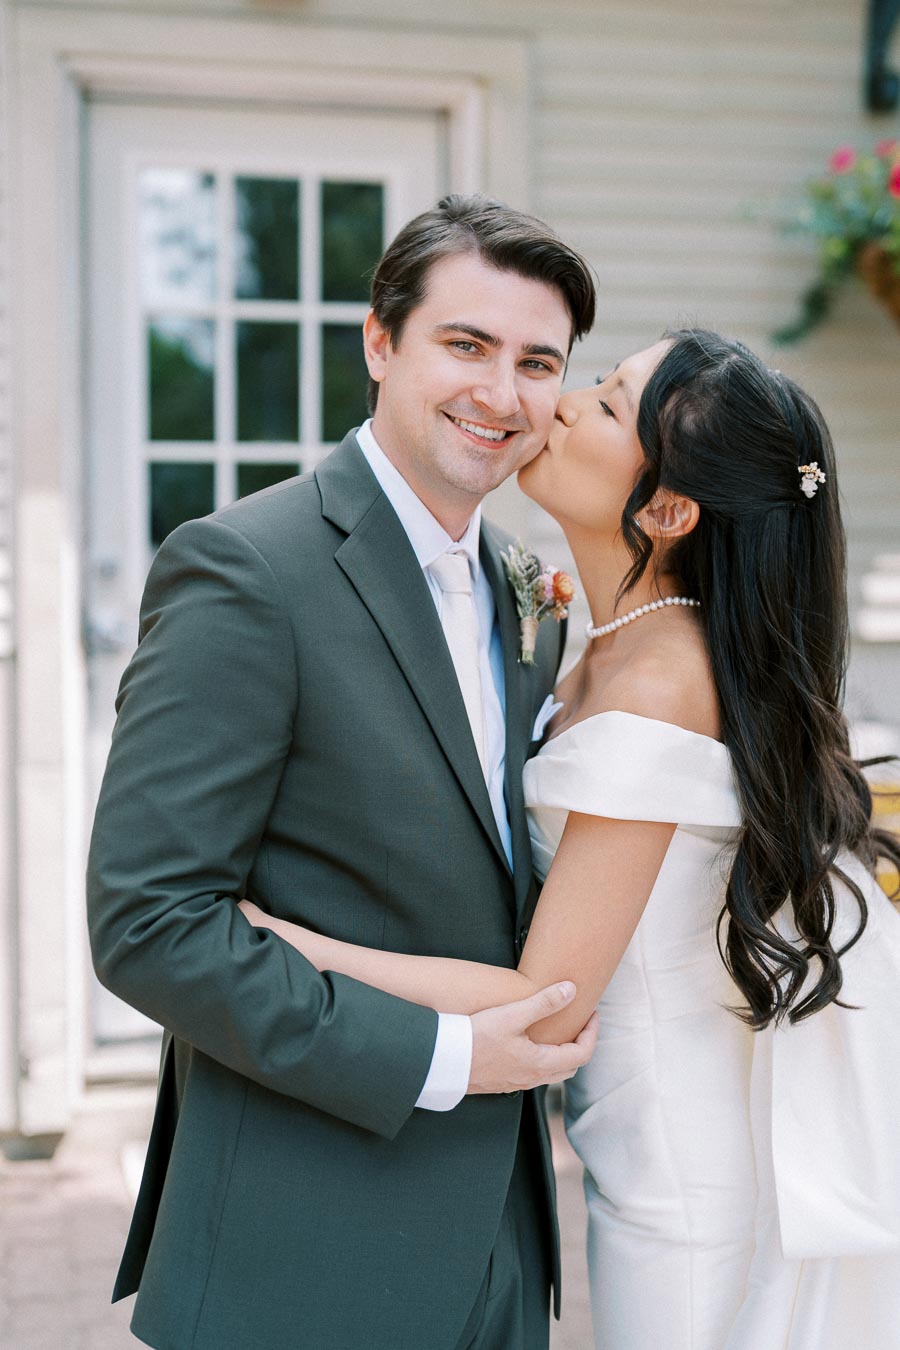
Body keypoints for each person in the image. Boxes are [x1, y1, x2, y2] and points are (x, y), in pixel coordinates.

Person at [240, 328, 900, 1348]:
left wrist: (290, 945)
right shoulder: (608, 645)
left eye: (602, 403)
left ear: (669, 510)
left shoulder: (661, 686)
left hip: (680, 1182)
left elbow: (545, 1006)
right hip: (634, 1139)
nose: (553, 403)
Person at [86, 194, 600, 1350]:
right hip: (299, 1254)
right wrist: (449, 1056)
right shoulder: (245, 571)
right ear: (380, 341)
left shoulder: (527, 587)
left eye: (536, 363)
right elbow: (149, 925)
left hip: (501, 1252)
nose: (501, 393)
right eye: (465, 345)